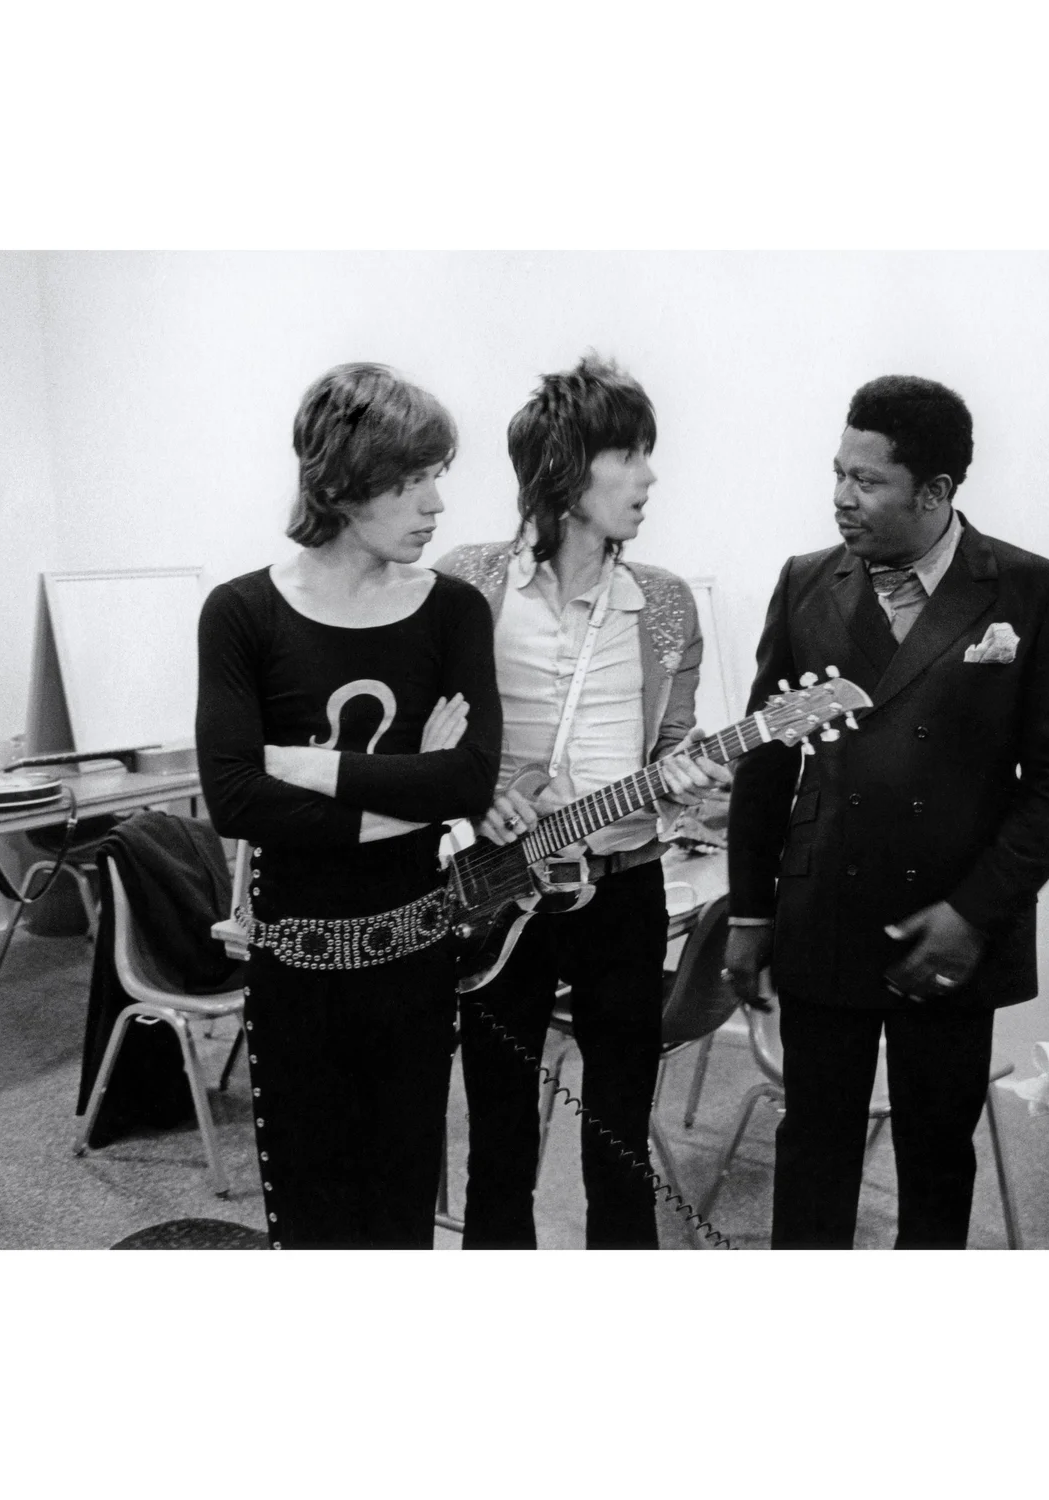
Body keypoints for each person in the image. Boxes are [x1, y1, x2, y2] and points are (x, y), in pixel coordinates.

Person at [725, 375, 1049, 1249]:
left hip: (951, 925)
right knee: (812, 1148)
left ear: (935, 492)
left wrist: (975, 914)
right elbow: (765, 756)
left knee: (937, 1155)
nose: (841, 499)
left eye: (867, 481)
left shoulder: (1031, 593)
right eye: (837, 473)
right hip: (824, 916)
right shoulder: (807, 583)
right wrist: (749, 909)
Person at [196, 361, 501, 1249]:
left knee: (403, 1207)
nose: (435, 505)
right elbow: (234, 798)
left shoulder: (453, 612)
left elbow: (470, 783)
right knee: (312, 1211)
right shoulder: (243, 614)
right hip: (294, 967)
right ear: (340, 481)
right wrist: (412, 785)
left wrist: (309, 768)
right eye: (411, 481)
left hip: (415, 955)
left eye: (436, 477)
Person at [436, 354, 730, 1249]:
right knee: (498, 1124)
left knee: (620, 1128)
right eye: (629, 456)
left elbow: (674, 742)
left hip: (624, 884)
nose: (649, 477)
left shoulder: (668, 605)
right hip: (494, 888)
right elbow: (428, 735)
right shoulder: (466, 582)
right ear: (567, 471)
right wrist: (480, 793)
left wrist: (689, 778)